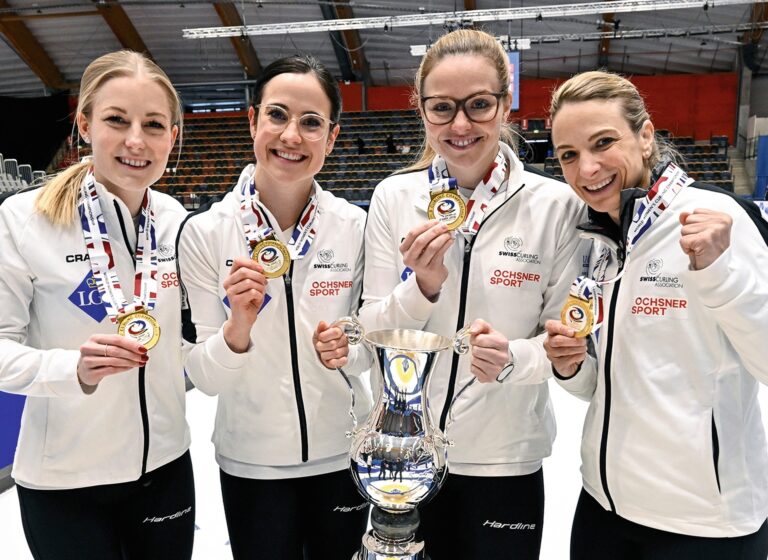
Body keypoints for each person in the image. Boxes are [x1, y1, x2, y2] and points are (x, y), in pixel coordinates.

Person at [328, 29, 588, 559]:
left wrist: (512, 358)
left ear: (506, 105)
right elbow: (372, 324)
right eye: (443, 108)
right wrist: (422, 288)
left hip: (504, 459)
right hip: (401, 456)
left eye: (479, 105)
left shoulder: (556, 205)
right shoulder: (394, 196)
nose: (461, 125)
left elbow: (563, 341)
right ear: (422, 110)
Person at [545, 70, 768, 559]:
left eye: (603, 142)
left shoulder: (719, 219)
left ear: (645, 136)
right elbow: (601, 388)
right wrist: (571, 365)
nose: (587, 169)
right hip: (603, 509)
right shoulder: (598, 242)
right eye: (568, 155)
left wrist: (720, 275)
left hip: (702, 525)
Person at [0, 50, 194, 559]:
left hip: (166, 467)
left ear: (172, 136)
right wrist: (73, 370)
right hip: (65, 481)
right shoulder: (23, 220)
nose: (136, 140)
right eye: (116, 120)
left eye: (153, 124)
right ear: (83, 124)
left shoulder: (175, 219)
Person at [176, 54, 371, 560]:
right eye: (278, 115)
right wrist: (237, 329)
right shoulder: (205, 232)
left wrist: (352, 347)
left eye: (311, 123)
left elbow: (372, 346)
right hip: (252, 463)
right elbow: (204, 374)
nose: (291, 136)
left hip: (344, 455)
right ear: (253, 121)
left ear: (331, 138)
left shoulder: (354, 227)